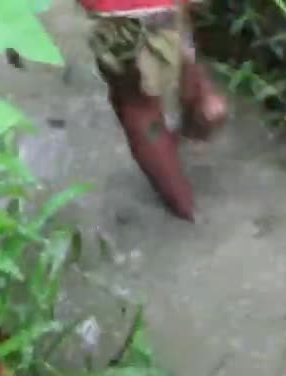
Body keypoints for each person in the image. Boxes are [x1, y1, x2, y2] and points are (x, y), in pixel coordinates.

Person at [77, 0, 228, 221]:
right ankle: (200, 108)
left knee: (137, 107)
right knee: (177, 44)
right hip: (163, 8)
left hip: (120, 11)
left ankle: (187, 212)